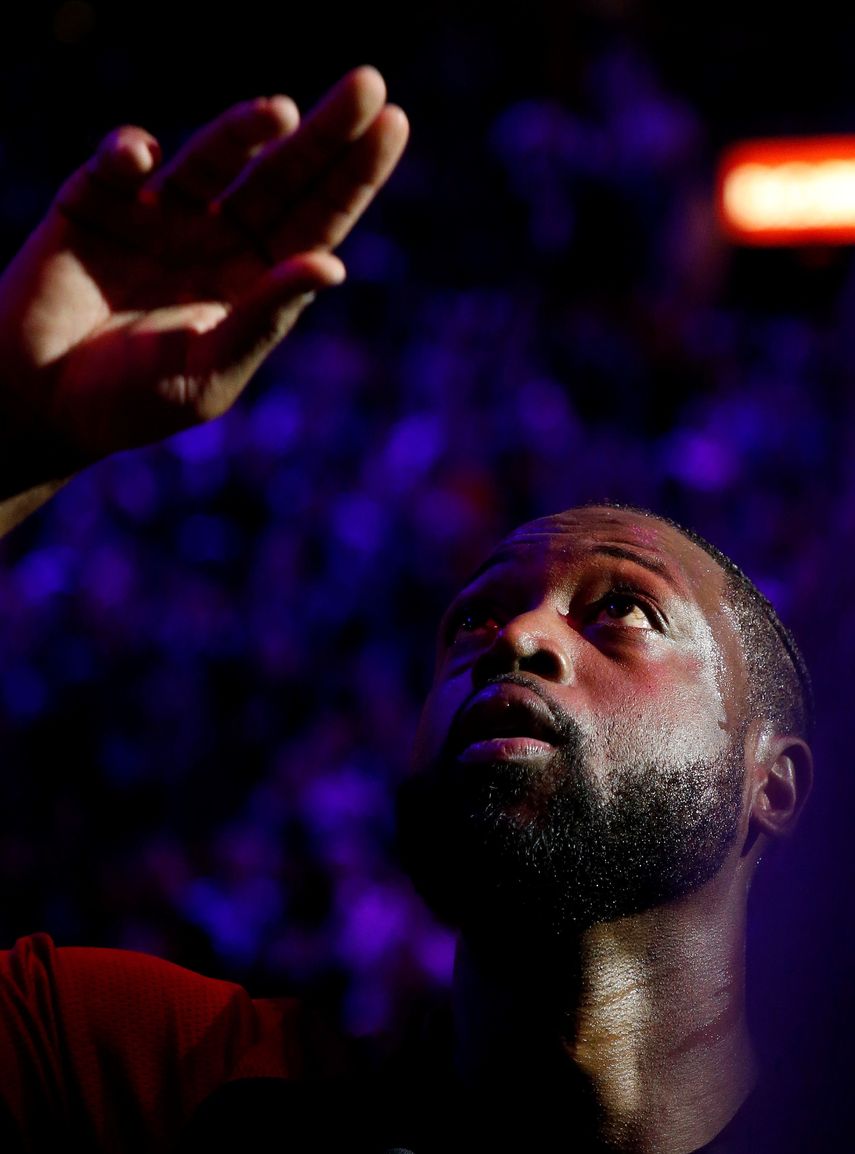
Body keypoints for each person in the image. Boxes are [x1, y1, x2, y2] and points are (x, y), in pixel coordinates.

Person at [0, 66, 816, 1154]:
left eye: (621, 607)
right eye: (473, 622)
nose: (518, 638)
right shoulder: (167, 1085)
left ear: (773, 779)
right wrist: (13, 434)